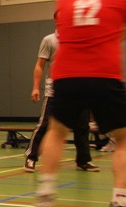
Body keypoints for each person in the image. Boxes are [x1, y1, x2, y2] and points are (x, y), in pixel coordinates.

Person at [35, 0, 126, 207]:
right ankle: (121, 203)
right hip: (104, 75)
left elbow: (66, 30)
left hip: (66, 76)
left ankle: (45, 192)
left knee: (57, 132)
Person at [23, 33, 98, 172]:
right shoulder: (49, 40)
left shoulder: (79, 38)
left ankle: (83, 161)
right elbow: (40, 64)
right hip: (55, 89)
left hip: (79, 89)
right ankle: (31, 157)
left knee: (82, 126)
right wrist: (35, 87)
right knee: (45, 124)